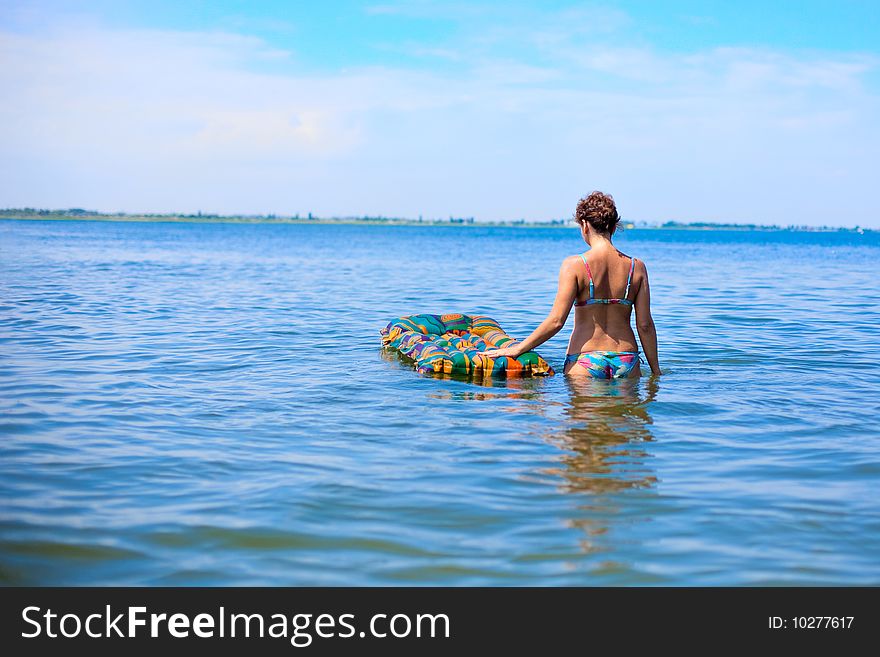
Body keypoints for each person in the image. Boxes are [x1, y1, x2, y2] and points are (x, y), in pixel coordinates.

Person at [483, 191, 661, 378]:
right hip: (626, 359)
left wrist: (518, 348)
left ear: (584, 225)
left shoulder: (575, 265)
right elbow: (645, 325)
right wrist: (656, 372)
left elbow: (556, 321)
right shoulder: (637, 267)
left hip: (586, 360)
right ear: (614, 227)